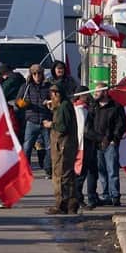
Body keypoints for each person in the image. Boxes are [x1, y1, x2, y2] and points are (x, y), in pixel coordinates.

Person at [89, 83, 126, 207]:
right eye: (95, 91)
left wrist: (114, 139)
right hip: (97, 143)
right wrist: (97, 138)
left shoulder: (116, 107)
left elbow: (121, 125)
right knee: (102, 171)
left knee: (112, 170)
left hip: (110, 144)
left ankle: (115, 196)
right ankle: (106, 195)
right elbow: (89, 126)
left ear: (105, 92)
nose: (95, 94)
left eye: (98, 91)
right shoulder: (93, 108)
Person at [44, 83, 79, 215]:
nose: (53, 96)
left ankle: (61, 204)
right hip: (66, 145)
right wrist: (53, 109)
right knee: (68, 175)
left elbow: (62, 127)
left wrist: (50, 124)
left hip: (63, 146)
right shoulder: (63, 106)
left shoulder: (64, 107)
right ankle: (71, 203)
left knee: (60, 175)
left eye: (54, 94)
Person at [16, 64, 52, 177]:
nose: (37, 76)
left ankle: (48, 169)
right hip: (31, 120)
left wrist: (50, 103)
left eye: (39, 73)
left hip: (45, 120)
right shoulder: (26, 87)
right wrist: (22, 104)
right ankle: (25, 170)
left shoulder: (48, 87)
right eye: (34, 73)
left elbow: (56, 100)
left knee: (49, 148)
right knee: (27, 148)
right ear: (31, 75)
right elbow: (18, 101)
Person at [74, 89, 100, 209]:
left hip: (89, 144)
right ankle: (78, 198)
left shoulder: (85, 108)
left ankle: (92, 196)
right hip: (84, 145)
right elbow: (83, 130)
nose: (88, 96)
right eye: (86, 94)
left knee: (92, 172)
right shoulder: (80, 110)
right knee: (81, 174)